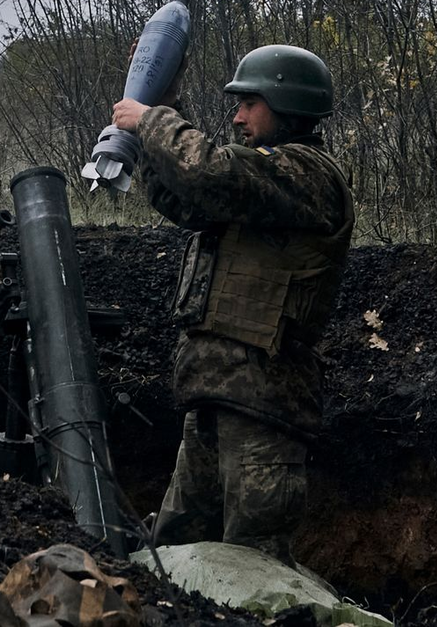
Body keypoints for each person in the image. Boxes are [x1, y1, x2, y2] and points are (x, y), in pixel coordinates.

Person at [112, 44, 353, 563]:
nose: (238, 117)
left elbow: (211, 173)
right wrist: (165, 98)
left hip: (265, 412)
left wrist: (153, 119)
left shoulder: (307, 175)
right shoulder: (260, 182)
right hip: (215, 401)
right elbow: (189, 196)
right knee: (171, 557)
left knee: (253, 571)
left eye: (250, 104)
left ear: (286, 105)